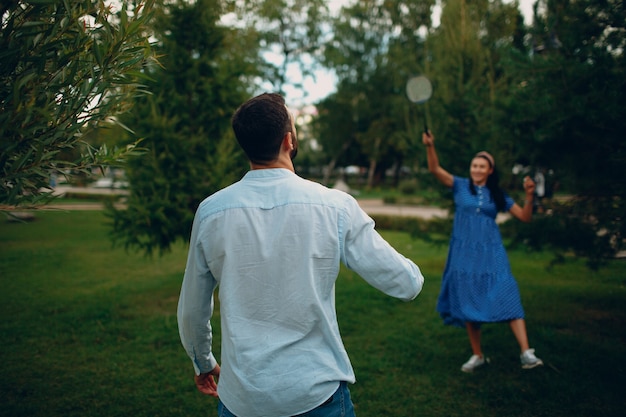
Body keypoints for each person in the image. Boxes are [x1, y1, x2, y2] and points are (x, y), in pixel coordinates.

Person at [177, 93, 425, 417]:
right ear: (289, 140)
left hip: (242, 399)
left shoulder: (211, 212)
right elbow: (406, 283)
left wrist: (203, 361)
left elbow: (192, 310)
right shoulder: (335, 207)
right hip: (316, 392)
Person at [422, 131, 543, 373]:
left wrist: (530, 197)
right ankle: (477, 355)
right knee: (469, 298)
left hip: (491, 251)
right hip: (464, 252)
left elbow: (525, 217)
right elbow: (435, 169)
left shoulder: (498, 195)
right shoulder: (459, 186)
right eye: (474, 165)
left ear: (490, 170)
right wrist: (430, 146)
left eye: (482, 166)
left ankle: (526, 353)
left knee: (507, 290)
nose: (477, 169)